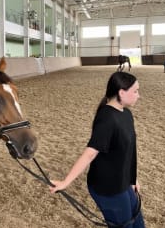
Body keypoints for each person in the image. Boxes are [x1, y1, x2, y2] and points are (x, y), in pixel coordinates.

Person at [50, 72, 145, 228]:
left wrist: (132, 179)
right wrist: (65, 182)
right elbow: (89, 154)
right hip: (107, 186)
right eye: (135, 91)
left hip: (123, 182)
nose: (138, 95)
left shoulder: (126, 114)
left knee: (138, 222)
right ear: (121, 92)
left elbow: (127, 153)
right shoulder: (107, 119)